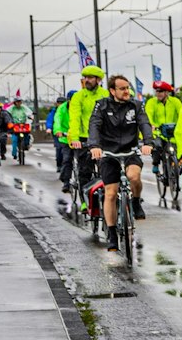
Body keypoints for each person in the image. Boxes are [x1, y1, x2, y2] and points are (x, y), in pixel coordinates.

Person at [85, 75, 155, 247]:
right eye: (122, 88)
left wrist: (148, 143)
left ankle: (136, 201)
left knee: (134, 176)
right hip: (108, 153)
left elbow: (144, 123)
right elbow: (94, 125)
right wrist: (94, 146)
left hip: (130, 150)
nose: (127, 91)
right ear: (112, 91)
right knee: (110, 192)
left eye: (128, 88)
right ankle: (112, 233)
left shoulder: (136, 105)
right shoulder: (101, 106)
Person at [65, 66, 106, 201]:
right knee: (85, 171)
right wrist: (75, 138)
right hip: (84, 138)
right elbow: (75, 118)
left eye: (90, 78)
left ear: (98, 80)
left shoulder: (105, 95)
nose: (86, 80)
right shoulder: (78, 97)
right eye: (85, 78)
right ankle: (84, 200)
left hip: (102, 137)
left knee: (107, 169)